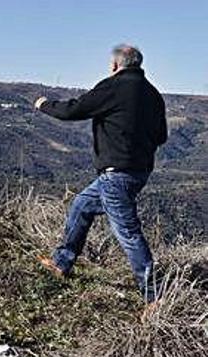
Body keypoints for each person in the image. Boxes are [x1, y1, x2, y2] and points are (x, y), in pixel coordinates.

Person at [34, 44, 168, 316]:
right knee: (81, 206)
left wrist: (44, 105)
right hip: (138, 172)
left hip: (115, 173)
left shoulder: (113, 87)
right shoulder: (154, 95)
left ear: (116, 65)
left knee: (128, 233)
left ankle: (154, 298)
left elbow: (74, 110)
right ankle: (62, 263)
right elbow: (161, 136)